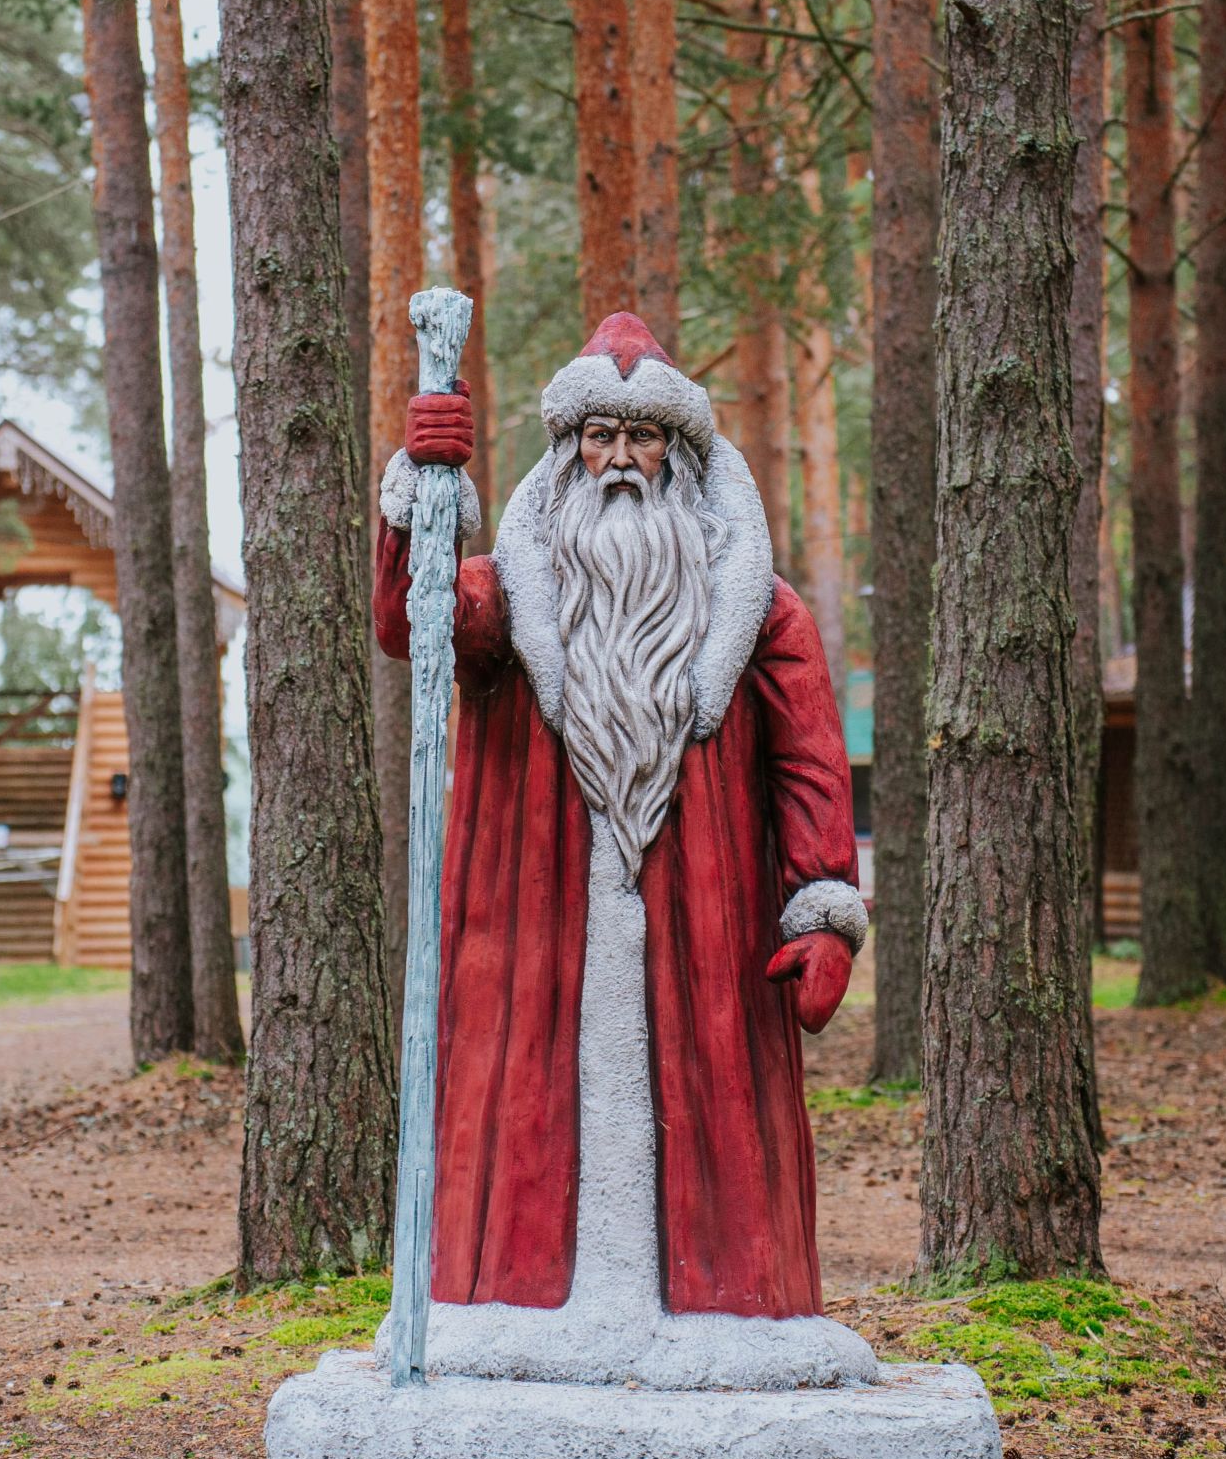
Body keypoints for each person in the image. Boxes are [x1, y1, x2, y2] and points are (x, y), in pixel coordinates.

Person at [370, 312, 877, 1389]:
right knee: (521, 1121)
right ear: (567, 455)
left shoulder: (759, 612)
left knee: (717, 1130)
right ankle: (508, 1306)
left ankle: (731, 1312)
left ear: (681, 456)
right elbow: (415, 623)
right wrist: (421, 496)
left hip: (710, 941)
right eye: (598, 436)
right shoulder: (508, 600)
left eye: (642, 438)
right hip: (531, 943)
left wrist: (825, 906)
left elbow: (809, 761)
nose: (619, 461)